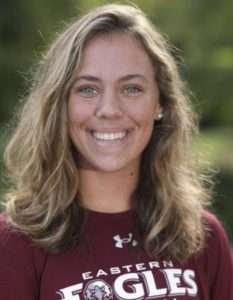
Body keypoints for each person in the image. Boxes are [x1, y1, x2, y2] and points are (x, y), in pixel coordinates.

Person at [0, 3, 232, 300]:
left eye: (131, 88)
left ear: (160, 103)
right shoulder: (14, 244)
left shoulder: (201, 237)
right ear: (60, 105)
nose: (109, 110)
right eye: (87, 89)